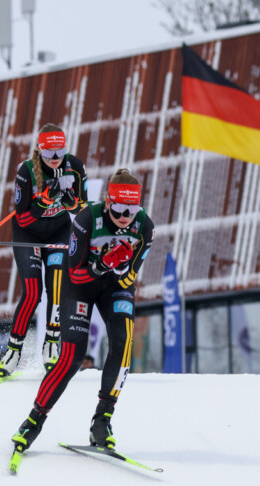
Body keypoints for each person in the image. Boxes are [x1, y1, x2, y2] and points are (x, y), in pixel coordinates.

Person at [9, 168, 154, 456]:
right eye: (119, 209)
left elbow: (129, 278)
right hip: (81, 285)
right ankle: (33, 422)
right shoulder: (88, 219)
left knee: (123, 342)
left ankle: (102, 421)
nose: (124, 217)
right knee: (73, 356)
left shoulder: (145, 227)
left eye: (131, 210)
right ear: (108, 202)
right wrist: (102, 264)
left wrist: (120, 268)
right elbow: (75, 273)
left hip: (114, 287)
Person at [0, 124, 87, 378]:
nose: (55, 158)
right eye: (49, 153)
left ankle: (51, 345)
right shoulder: (26, 171)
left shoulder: (75, 167)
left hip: (58, 232)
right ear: (39, 151)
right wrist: (45, 201)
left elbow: (83, 209)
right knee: (33, 293)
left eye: (60, 152)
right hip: (29, 234)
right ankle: (13, 351)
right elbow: (23, 218)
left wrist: (71, 203)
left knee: (57, 288)